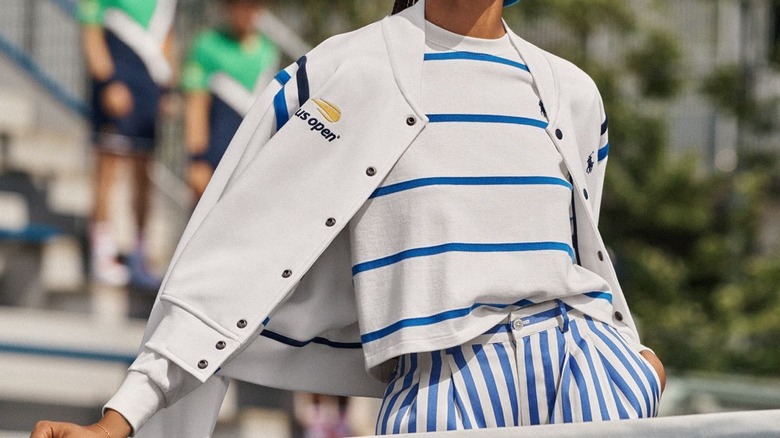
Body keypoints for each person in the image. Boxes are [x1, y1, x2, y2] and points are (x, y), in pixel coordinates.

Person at [32, 0, 666, 436]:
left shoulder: (572, 94)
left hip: (589, 381)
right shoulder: (343, 74)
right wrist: (119, 418)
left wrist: (635, 364)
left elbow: (585, 260)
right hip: (435, 398)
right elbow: (236, 259)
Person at [78, 0, 177, 288]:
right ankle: (101, 252)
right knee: (107, 169)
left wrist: (167, 88)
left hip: (149, 88)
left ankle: (138, 254)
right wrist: (108, 82)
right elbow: (91, 33)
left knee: (143, 174)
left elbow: (167, 37)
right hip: (116, 85)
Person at [182, 0, 280, 200]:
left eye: (254, 6)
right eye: (241, 5)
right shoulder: (207, 45)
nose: (248, 12)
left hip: (249, 161)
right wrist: (197, 160)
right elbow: (196, 106)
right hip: (213, 158)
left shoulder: (268, 53)